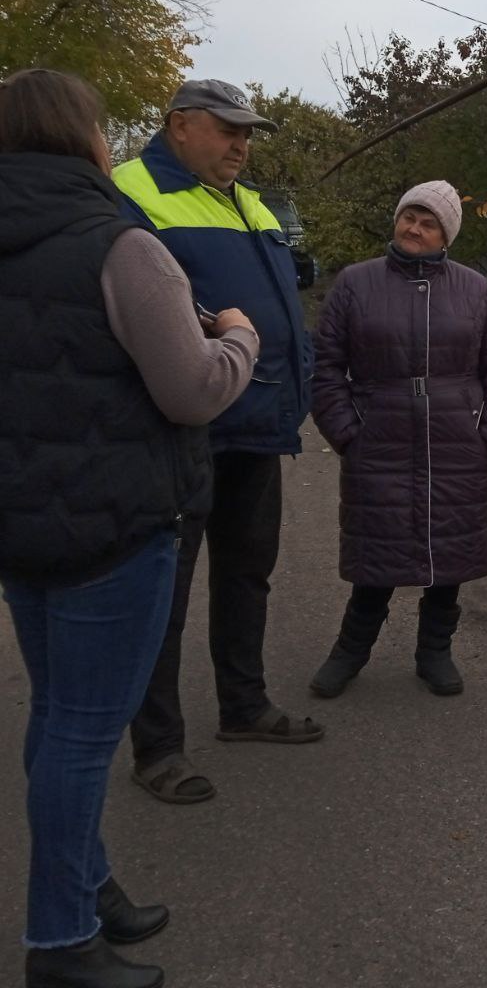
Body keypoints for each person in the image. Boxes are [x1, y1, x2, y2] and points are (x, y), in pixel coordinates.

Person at [0, 69, 257, 988]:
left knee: (58, 713)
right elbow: (191, 391)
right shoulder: (119, 244)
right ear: (84, 139)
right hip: (114, 525)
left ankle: (88, 884)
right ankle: (61, 944)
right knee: (79, 729)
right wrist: (239, 338)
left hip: (23, 527)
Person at [113, 79, 320, 807]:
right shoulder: (130, 192)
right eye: (227, 129)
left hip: (258, 424)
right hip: (183, 428)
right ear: (177, 126)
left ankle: (243, 706)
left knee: (247, 572)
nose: (241, 144)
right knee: (161, 593)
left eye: (248, 132)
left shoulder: (248, 199)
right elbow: (137, 297)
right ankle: (159, 748)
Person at [309, 181, 487, 697]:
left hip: (458, 444)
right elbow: (324, 366)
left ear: (445, 233)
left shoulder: (474, 290)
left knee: (447, 558)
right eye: (409, 216)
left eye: (428, 222)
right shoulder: (355, 284)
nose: (414, 228)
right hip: (378, 443)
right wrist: (346, 431)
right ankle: (350, 652)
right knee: (376, 558)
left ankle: (435, 652)